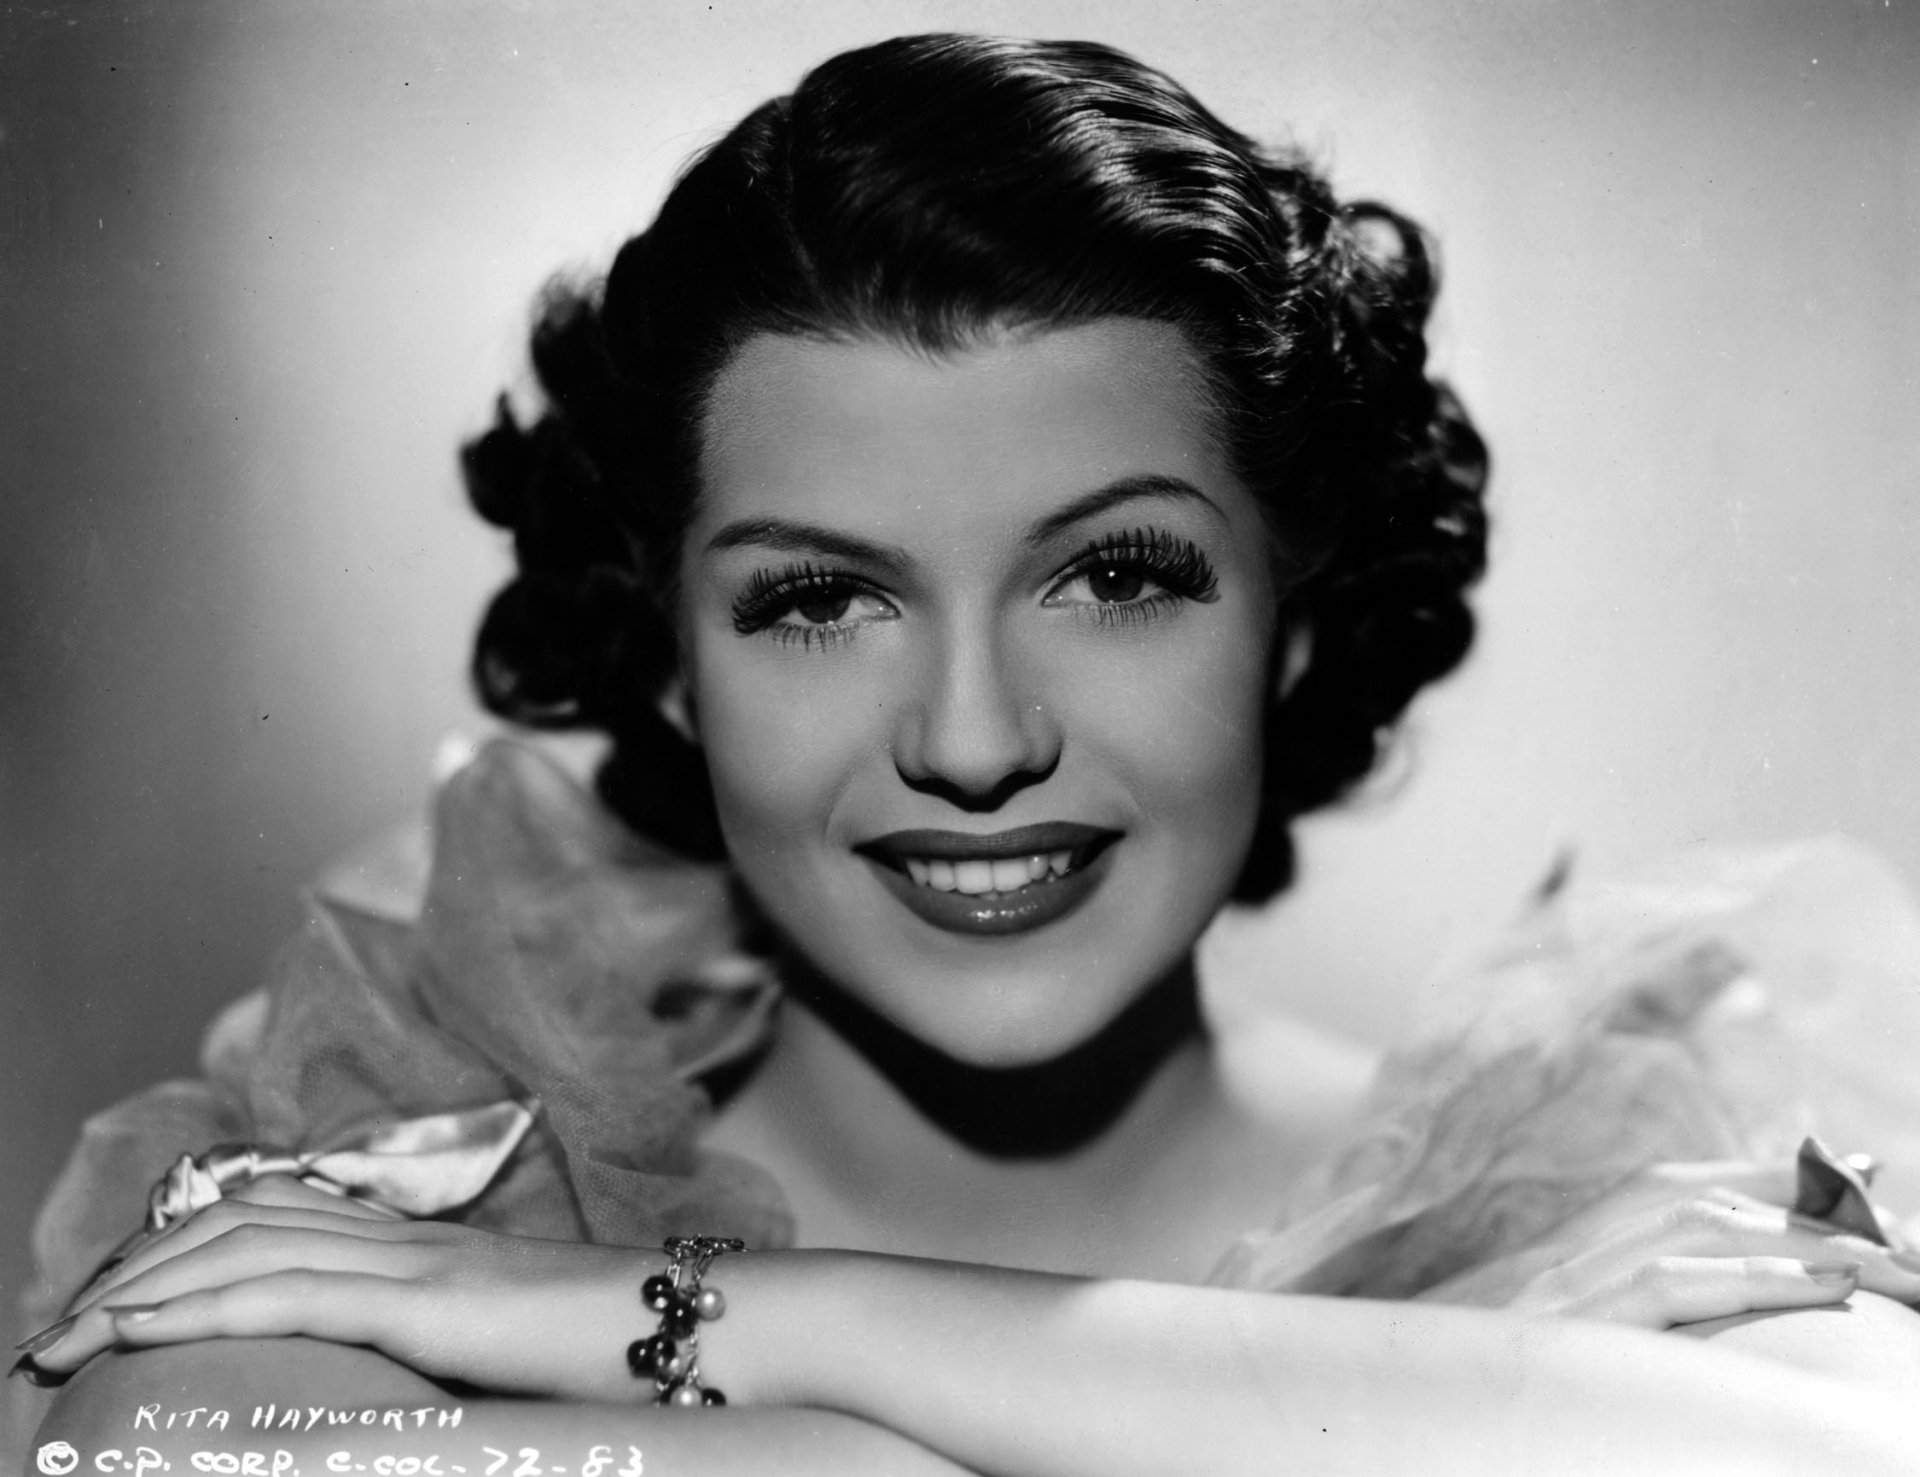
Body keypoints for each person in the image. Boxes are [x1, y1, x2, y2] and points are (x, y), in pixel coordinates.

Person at [18, 32, 1920, 1474]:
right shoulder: (438, 1158)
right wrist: (1438, 1398)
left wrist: (702, 1325)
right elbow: (137, 1441)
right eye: (814, 602)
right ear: (672, 663)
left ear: (1301, 624)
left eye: (1115, 573)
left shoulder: (1594, 1181)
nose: (977, 741)